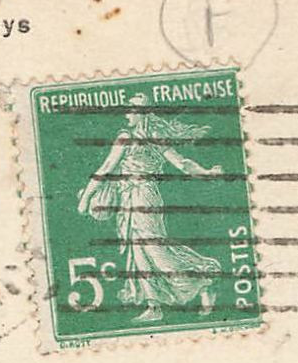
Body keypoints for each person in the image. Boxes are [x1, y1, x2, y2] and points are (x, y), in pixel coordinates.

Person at [75, 93, 225, 324]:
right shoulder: (152, 137)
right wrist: (206, 172)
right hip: (133, 197)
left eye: (131, 110)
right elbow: (182, 164)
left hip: (142, 196)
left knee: (155, 249)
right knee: (139, 251)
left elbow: (106, 167)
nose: (126, 114)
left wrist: (86, 198)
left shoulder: (130, 138)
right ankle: (154, 306)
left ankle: (203, 278)